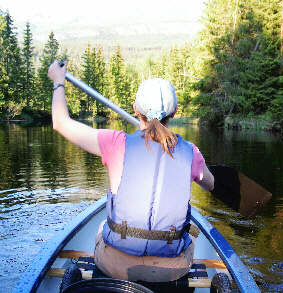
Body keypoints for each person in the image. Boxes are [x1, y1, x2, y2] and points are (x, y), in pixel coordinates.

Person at [48, 60, 214, 282]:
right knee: (192, 234)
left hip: (116, 267)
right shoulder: (190, 153)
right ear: (174, 112)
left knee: (100, 226)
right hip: (169, 272)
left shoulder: (116, 142)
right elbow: (211, 184)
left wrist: (58, 82)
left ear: (136, 110)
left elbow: (60, 122)